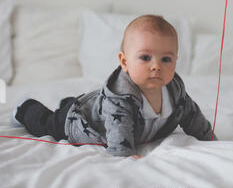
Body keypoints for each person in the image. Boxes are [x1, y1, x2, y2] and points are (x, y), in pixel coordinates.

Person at [12, 14, 217, 158]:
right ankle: (26, 108)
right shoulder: (120, 99)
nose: (156, 66)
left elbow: (192, 116)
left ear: (176, 60)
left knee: (83, 103)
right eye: (145, 57)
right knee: (48, 123)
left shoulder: (175, 92)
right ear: (125, 61)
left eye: (166, 59)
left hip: (94, 105)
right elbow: (119, 132)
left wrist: (209, 138)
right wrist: (125, 155)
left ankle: (69, 101)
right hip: (79, 121)